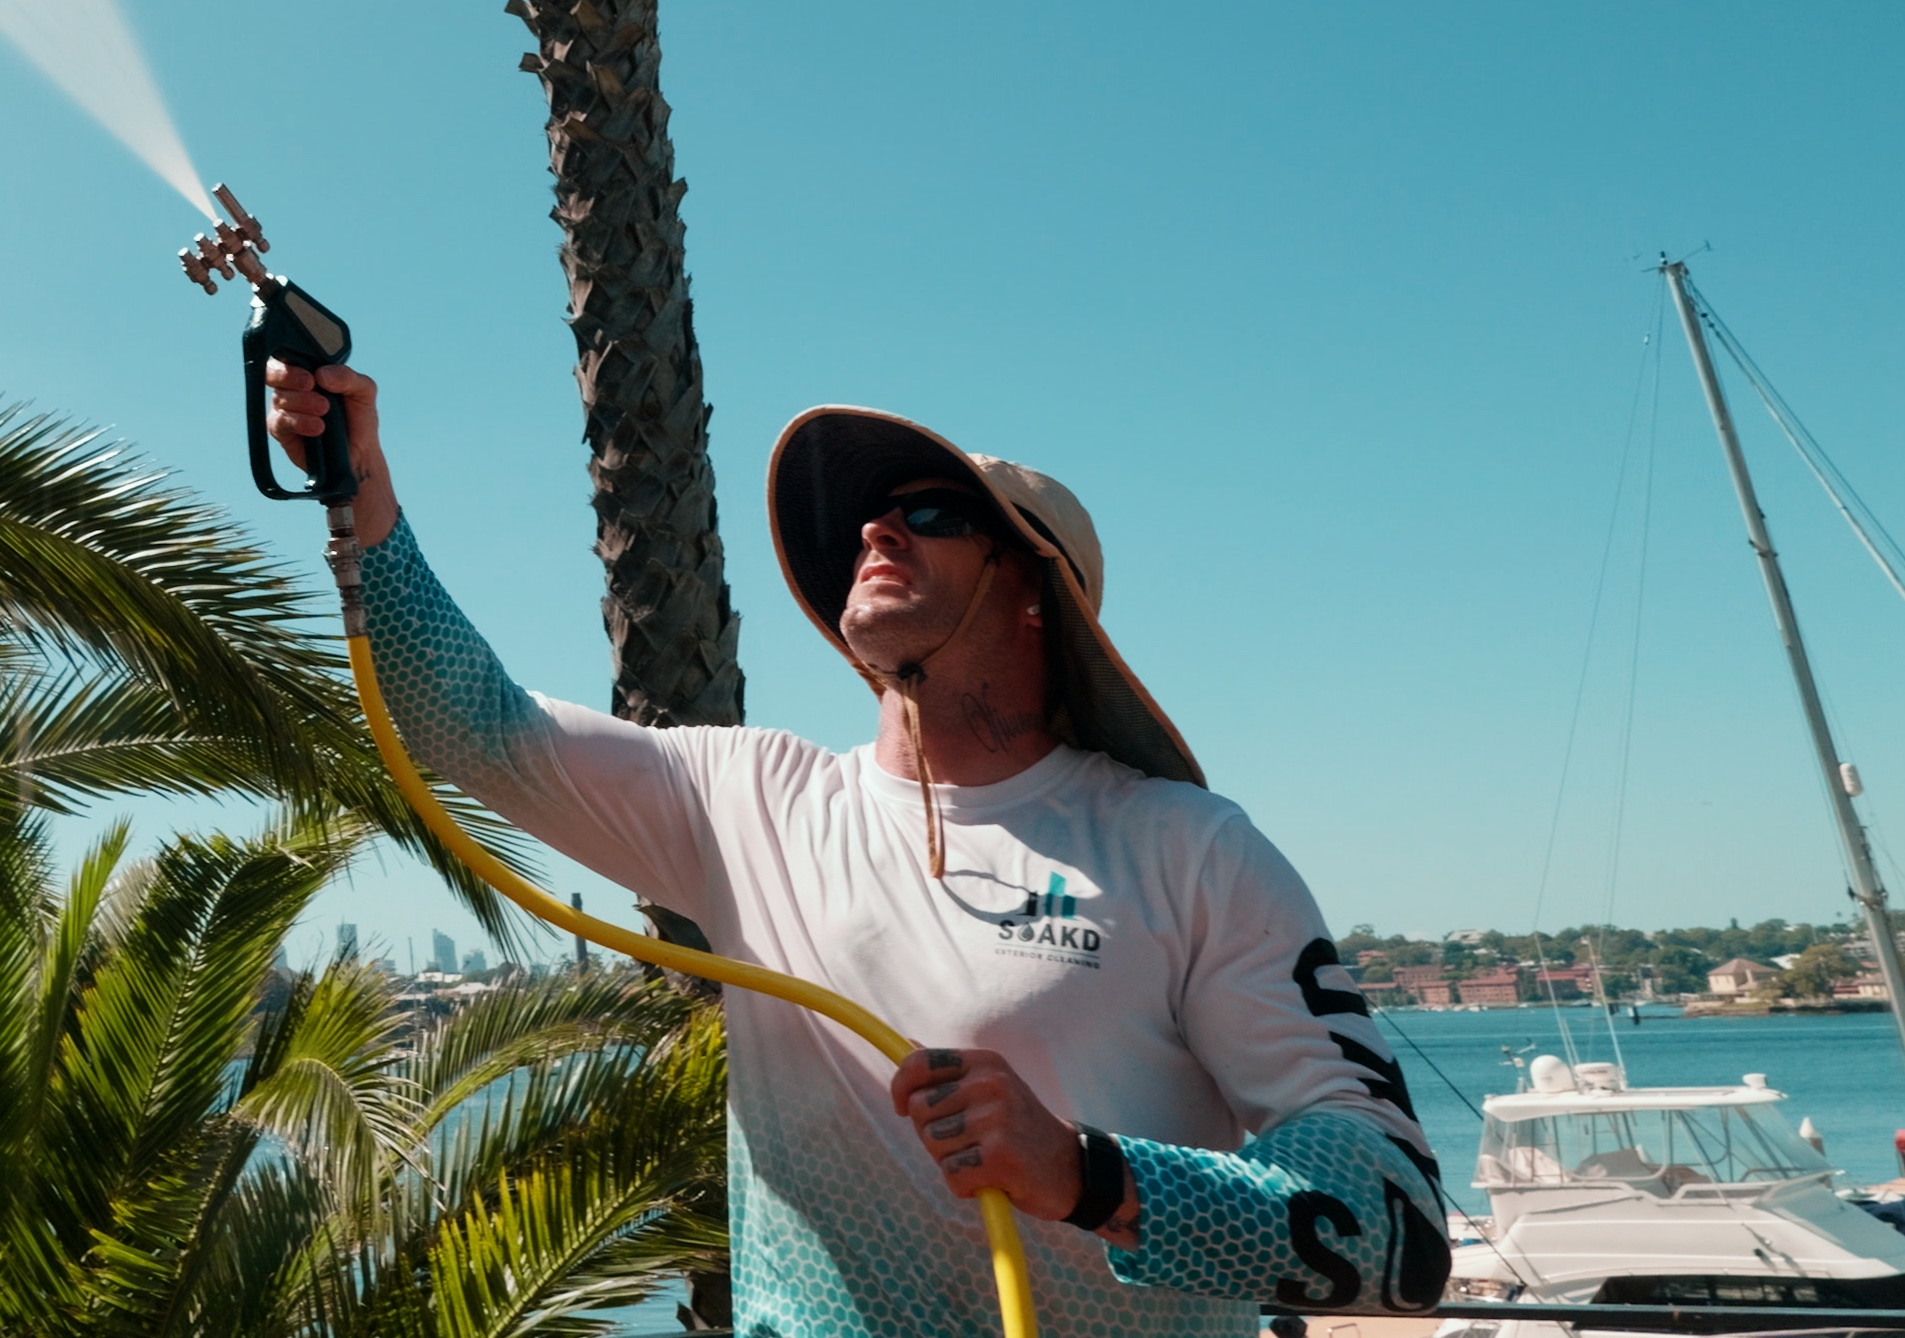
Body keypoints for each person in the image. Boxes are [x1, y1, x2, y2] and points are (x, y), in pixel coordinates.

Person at [266, 360, 1447, 1338]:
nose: (880, 525)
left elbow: (1399, 1228)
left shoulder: (1189, 850)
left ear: (1036, 593)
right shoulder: (753, 798)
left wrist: (1088, 1174)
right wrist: (358, 486)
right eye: (874, 516)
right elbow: (474, 726)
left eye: (936, 513)